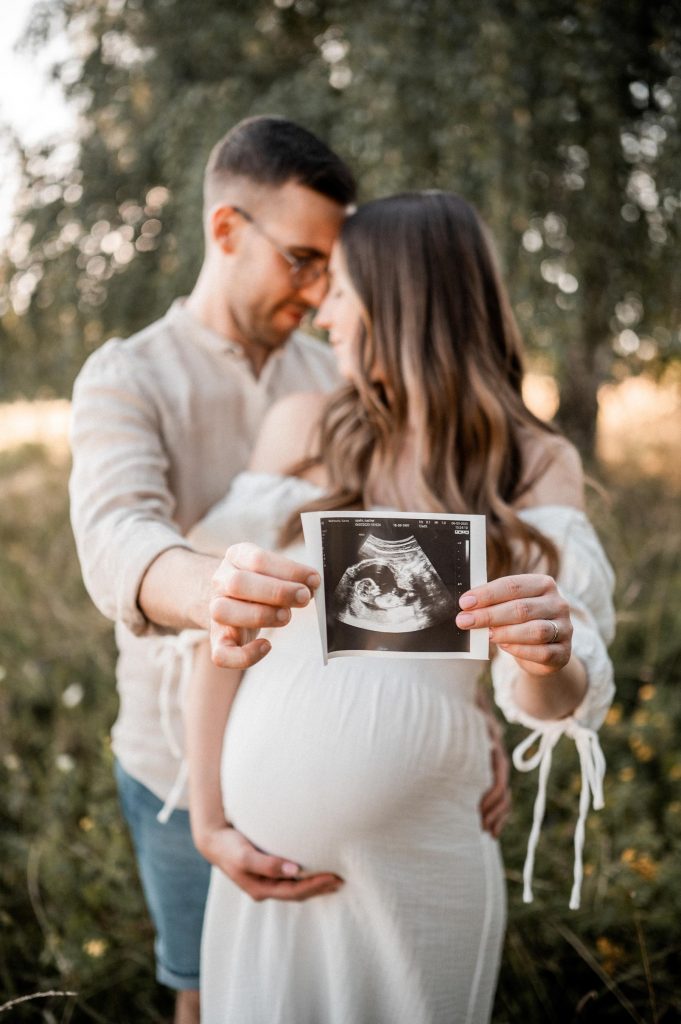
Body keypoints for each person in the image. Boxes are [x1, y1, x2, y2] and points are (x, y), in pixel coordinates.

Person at [69, 120, 509, 1023]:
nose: (319, 296)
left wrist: (467, 707)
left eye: (331, 271)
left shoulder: (346, 370)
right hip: (175, 773)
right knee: (205, 993)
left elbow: (410, 557)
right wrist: (212, 589)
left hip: (364, 800)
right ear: (227, 230)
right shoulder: (127, 378)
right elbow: (118, 537)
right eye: (302, 260)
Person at [184, 191, 616, 1023]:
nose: (323, 315)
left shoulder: (533, 465)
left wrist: (547, 658)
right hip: (259, 869)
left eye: (342, 290)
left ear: (402, 305)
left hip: (422, 870)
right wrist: (209, 820)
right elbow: (216, 635)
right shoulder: (302, 427)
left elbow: (553, 705)